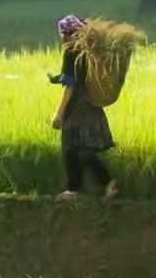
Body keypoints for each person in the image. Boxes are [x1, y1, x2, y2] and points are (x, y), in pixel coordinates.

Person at [49, 13, 119, 201]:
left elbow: (70, 85)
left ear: (67, 34)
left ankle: (74, 190)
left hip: (77, 108)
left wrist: (59, 113)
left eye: (62, 34)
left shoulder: (71, 52)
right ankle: (108, 184)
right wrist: (57, 78)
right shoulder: (90, 50)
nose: (62, 38)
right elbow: (80, 75)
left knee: (70, 148)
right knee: (85, 150)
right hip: (93, 107)